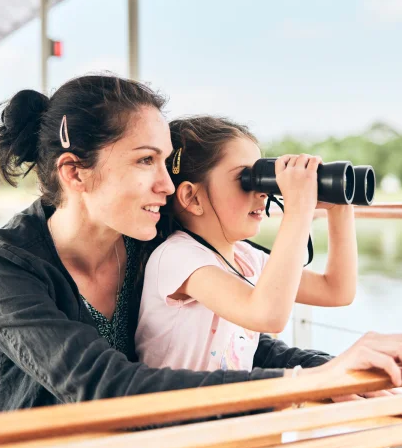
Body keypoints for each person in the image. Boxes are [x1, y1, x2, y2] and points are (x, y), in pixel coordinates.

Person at [0, 74, 402, 413]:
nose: (167, 186)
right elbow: (102, 386)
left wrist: (332, 370)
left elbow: (242, 346)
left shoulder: (148, 239)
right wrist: (295, 384)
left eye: (167, 163)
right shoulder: (4, 267)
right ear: (74, 172)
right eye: (146, 161)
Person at [136, 116, 358, 374]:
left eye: (261, 178)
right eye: (245, 179)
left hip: (227, 408)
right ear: (192, 197)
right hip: (178, 410)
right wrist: (298, 210)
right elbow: (266, 315)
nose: (263, 192)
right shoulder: (176, 257)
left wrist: (340, 207)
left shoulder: (245, 258)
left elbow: (337, 290)